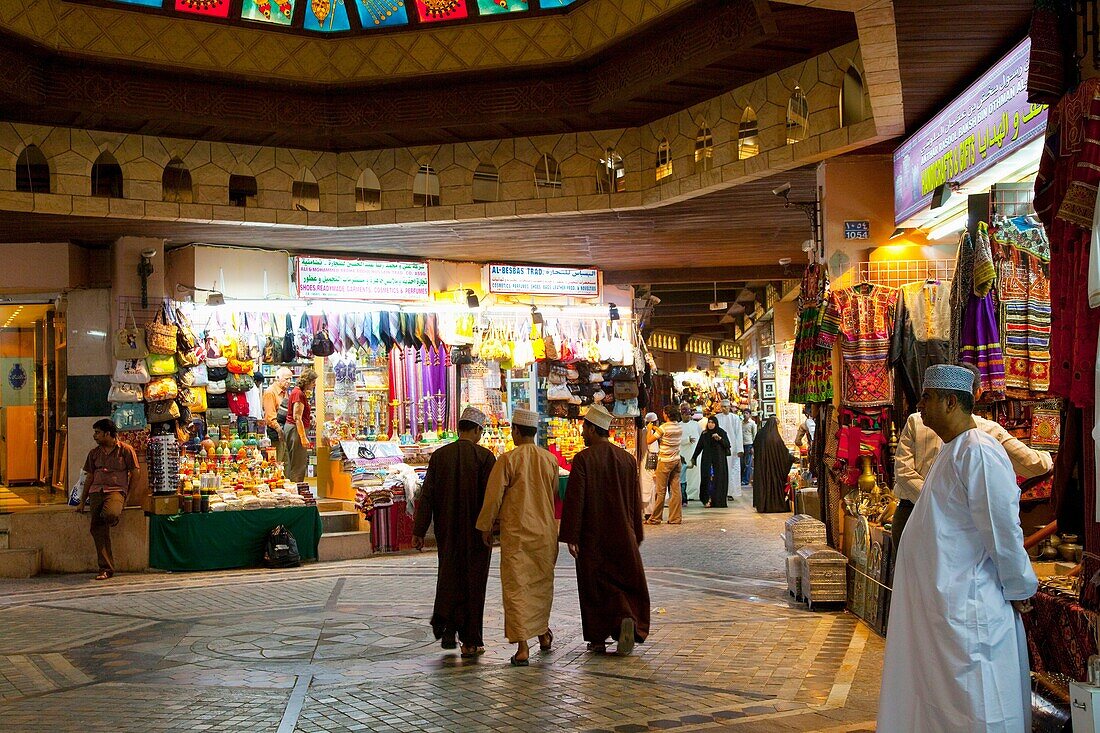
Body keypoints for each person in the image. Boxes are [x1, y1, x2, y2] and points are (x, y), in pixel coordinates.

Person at [878, 365, 1037, 733]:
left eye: (927, 397)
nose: (919, 405)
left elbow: (1001, 532)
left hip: (970, 609)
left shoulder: (979, 450)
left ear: (951, 402)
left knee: (977, 702)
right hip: (947, 607)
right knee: (948, 701)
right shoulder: (953, 450)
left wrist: (1020, 586)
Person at [559, 404, 650, 655]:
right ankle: (625, 620)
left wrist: (571, 536)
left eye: (584, 428)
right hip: (623, 533)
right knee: (621, 582)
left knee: (595, 586)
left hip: (593, 536)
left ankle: (598, 638)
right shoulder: (627, 460)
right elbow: (635, 500)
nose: (581, 434)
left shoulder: (583, 459)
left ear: (591, 428)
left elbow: (575, 500)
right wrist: (636, 533)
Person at [893, 410, 1052, 546]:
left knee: (911, 578)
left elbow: (903, 472)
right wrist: (1049, 457)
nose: (921, 404)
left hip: (914, 513)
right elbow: (1035, 464)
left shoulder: (916, 421)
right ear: (977, 393)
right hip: (955, 520)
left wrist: (934, 501)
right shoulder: (988, 429)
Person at [475, 409, 558, 667]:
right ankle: (543, 633)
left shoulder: (507, 460)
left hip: (518, 533)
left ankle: (523, 647)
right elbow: (553, 493)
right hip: (545, 532)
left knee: (517, 588)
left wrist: (485, 526)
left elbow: (493, 498)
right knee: (541, 585)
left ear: (517, 432)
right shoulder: (549, 460)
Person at [413, 406, 497, 658]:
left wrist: (419, 531)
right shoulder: (485, 458)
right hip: (477, 532)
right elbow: (491, 499)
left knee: (449, 577)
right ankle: (471, 640)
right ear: (477, 430)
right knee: (474, 583)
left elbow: (426, 497)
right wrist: (493, 529)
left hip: (447, 530)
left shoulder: (440, 456)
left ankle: (448, 631)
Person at [76, 419, 140, 580]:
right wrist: (82, 501)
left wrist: (128, 496)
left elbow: (135, 473)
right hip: (96, 491)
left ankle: (113, 519)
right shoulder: (94, 453)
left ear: (108, 434)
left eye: (97, 433)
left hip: (116, 491)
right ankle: (105, 568)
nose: (94, 436)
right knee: (97, 529)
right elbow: (89, 476)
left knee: (110, 514)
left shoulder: (125, 450)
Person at [645, 405, 683, 525]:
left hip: (665, 462)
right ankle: (675, 518)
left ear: (667, 414)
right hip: (677, 461)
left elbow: (649, 440)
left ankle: (655, 518)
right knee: (676, 490)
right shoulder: (678, 427)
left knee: (660, 491)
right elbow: (664, 433)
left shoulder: (664, 428)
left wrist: (650, 429)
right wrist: (657, 428)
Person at [751, 416, 793, 513]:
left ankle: (763, 505)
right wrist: (792, 458)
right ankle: (774, 505)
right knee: (774, 484)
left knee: (763, 484)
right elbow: (784, 455)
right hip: (774, 469)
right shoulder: (776, 438)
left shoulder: (760, 434)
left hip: (761, 467)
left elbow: (754, 448)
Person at [283, 367, 317, 483]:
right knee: (298, 464)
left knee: (295, 462)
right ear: (307, 381)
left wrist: (309, 416)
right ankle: (296, 491)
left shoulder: (298, 392)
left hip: (294, 429)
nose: (314, 385)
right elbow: (297, 417)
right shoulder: (298, 394)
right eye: (313, 382)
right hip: (296, 431)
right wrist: (303, 437)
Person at [691, 416, 731, 507]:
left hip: (719, 462)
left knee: (718, 480)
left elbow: (727, 445)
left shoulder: (721, 432)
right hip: (707, 461)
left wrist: (720, 439)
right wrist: (694, 458)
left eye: (713, 422)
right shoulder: (705, 434)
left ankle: (717, 501)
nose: (710, 424)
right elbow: (699, 447)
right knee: (707, 480)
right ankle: (707, 500)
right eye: (709, 422)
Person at [263, 366, 293, 463]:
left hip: (284, 432)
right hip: (275, 433)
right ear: (278, 378)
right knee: (277, 462)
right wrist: (279, 430)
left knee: (285, 463)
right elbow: (270, 417)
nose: (289, 381)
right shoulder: (270, 392)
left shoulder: (284, 392)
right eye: (286, 379)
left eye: (290, 379)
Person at [715, 400, 744, 500]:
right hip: (719, 447)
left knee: (732, 470)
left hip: (733, 448)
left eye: (726, 407)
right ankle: (721, 491)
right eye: (722, 406)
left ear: (729, 407)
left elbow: (738, 434)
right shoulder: (717, 418)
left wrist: (740, 449)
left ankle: (731, 492)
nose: (724, 408)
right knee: (720, 469)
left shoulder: (735, 418)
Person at [680, 409, 703, 503]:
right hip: (683, 453)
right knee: (684, 475)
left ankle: (695, 494)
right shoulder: (678, 425)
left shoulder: (696, 424)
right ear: (681, 415)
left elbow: (701, 437)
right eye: (685, 414)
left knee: (695, 474)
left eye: (689, 414)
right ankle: (685, 495)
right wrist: (686, 440)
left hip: (694, 452)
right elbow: (677, 439)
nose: (687, 416)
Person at [639, 412, 659, 519]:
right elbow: (653, 452)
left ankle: (647, 512)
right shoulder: (651, 433)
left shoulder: (642, 431)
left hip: (643, 463)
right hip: (650, 465)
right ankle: (650, 513)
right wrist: (656, 468)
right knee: (651, 488)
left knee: (645, 486)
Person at [741, 409, 758, 486]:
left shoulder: (752, 424)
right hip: (741, 444)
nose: (745, 415)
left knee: (748, 463)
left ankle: (746, 480)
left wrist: (753, 447)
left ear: (750, 415)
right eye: (744, 413)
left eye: (747, 413)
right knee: (742, 463)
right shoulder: (741, 423)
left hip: (749, 444)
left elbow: (755, 436)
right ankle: (741, 478)